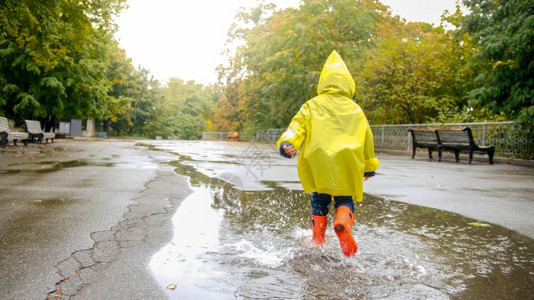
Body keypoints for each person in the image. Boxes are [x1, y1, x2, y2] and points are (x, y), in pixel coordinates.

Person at [276, 50, 379, 256]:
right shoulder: (356, 110)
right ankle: (342, 222)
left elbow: (297, 127)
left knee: (319, 199)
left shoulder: (312, 105)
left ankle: (318, 239)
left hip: (319, 162)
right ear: (348, 83)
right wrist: (368, 167)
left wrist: (288, 143)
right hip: (347, 162)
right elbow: (367, 139)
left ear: (323, 82)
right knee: (344, 199)